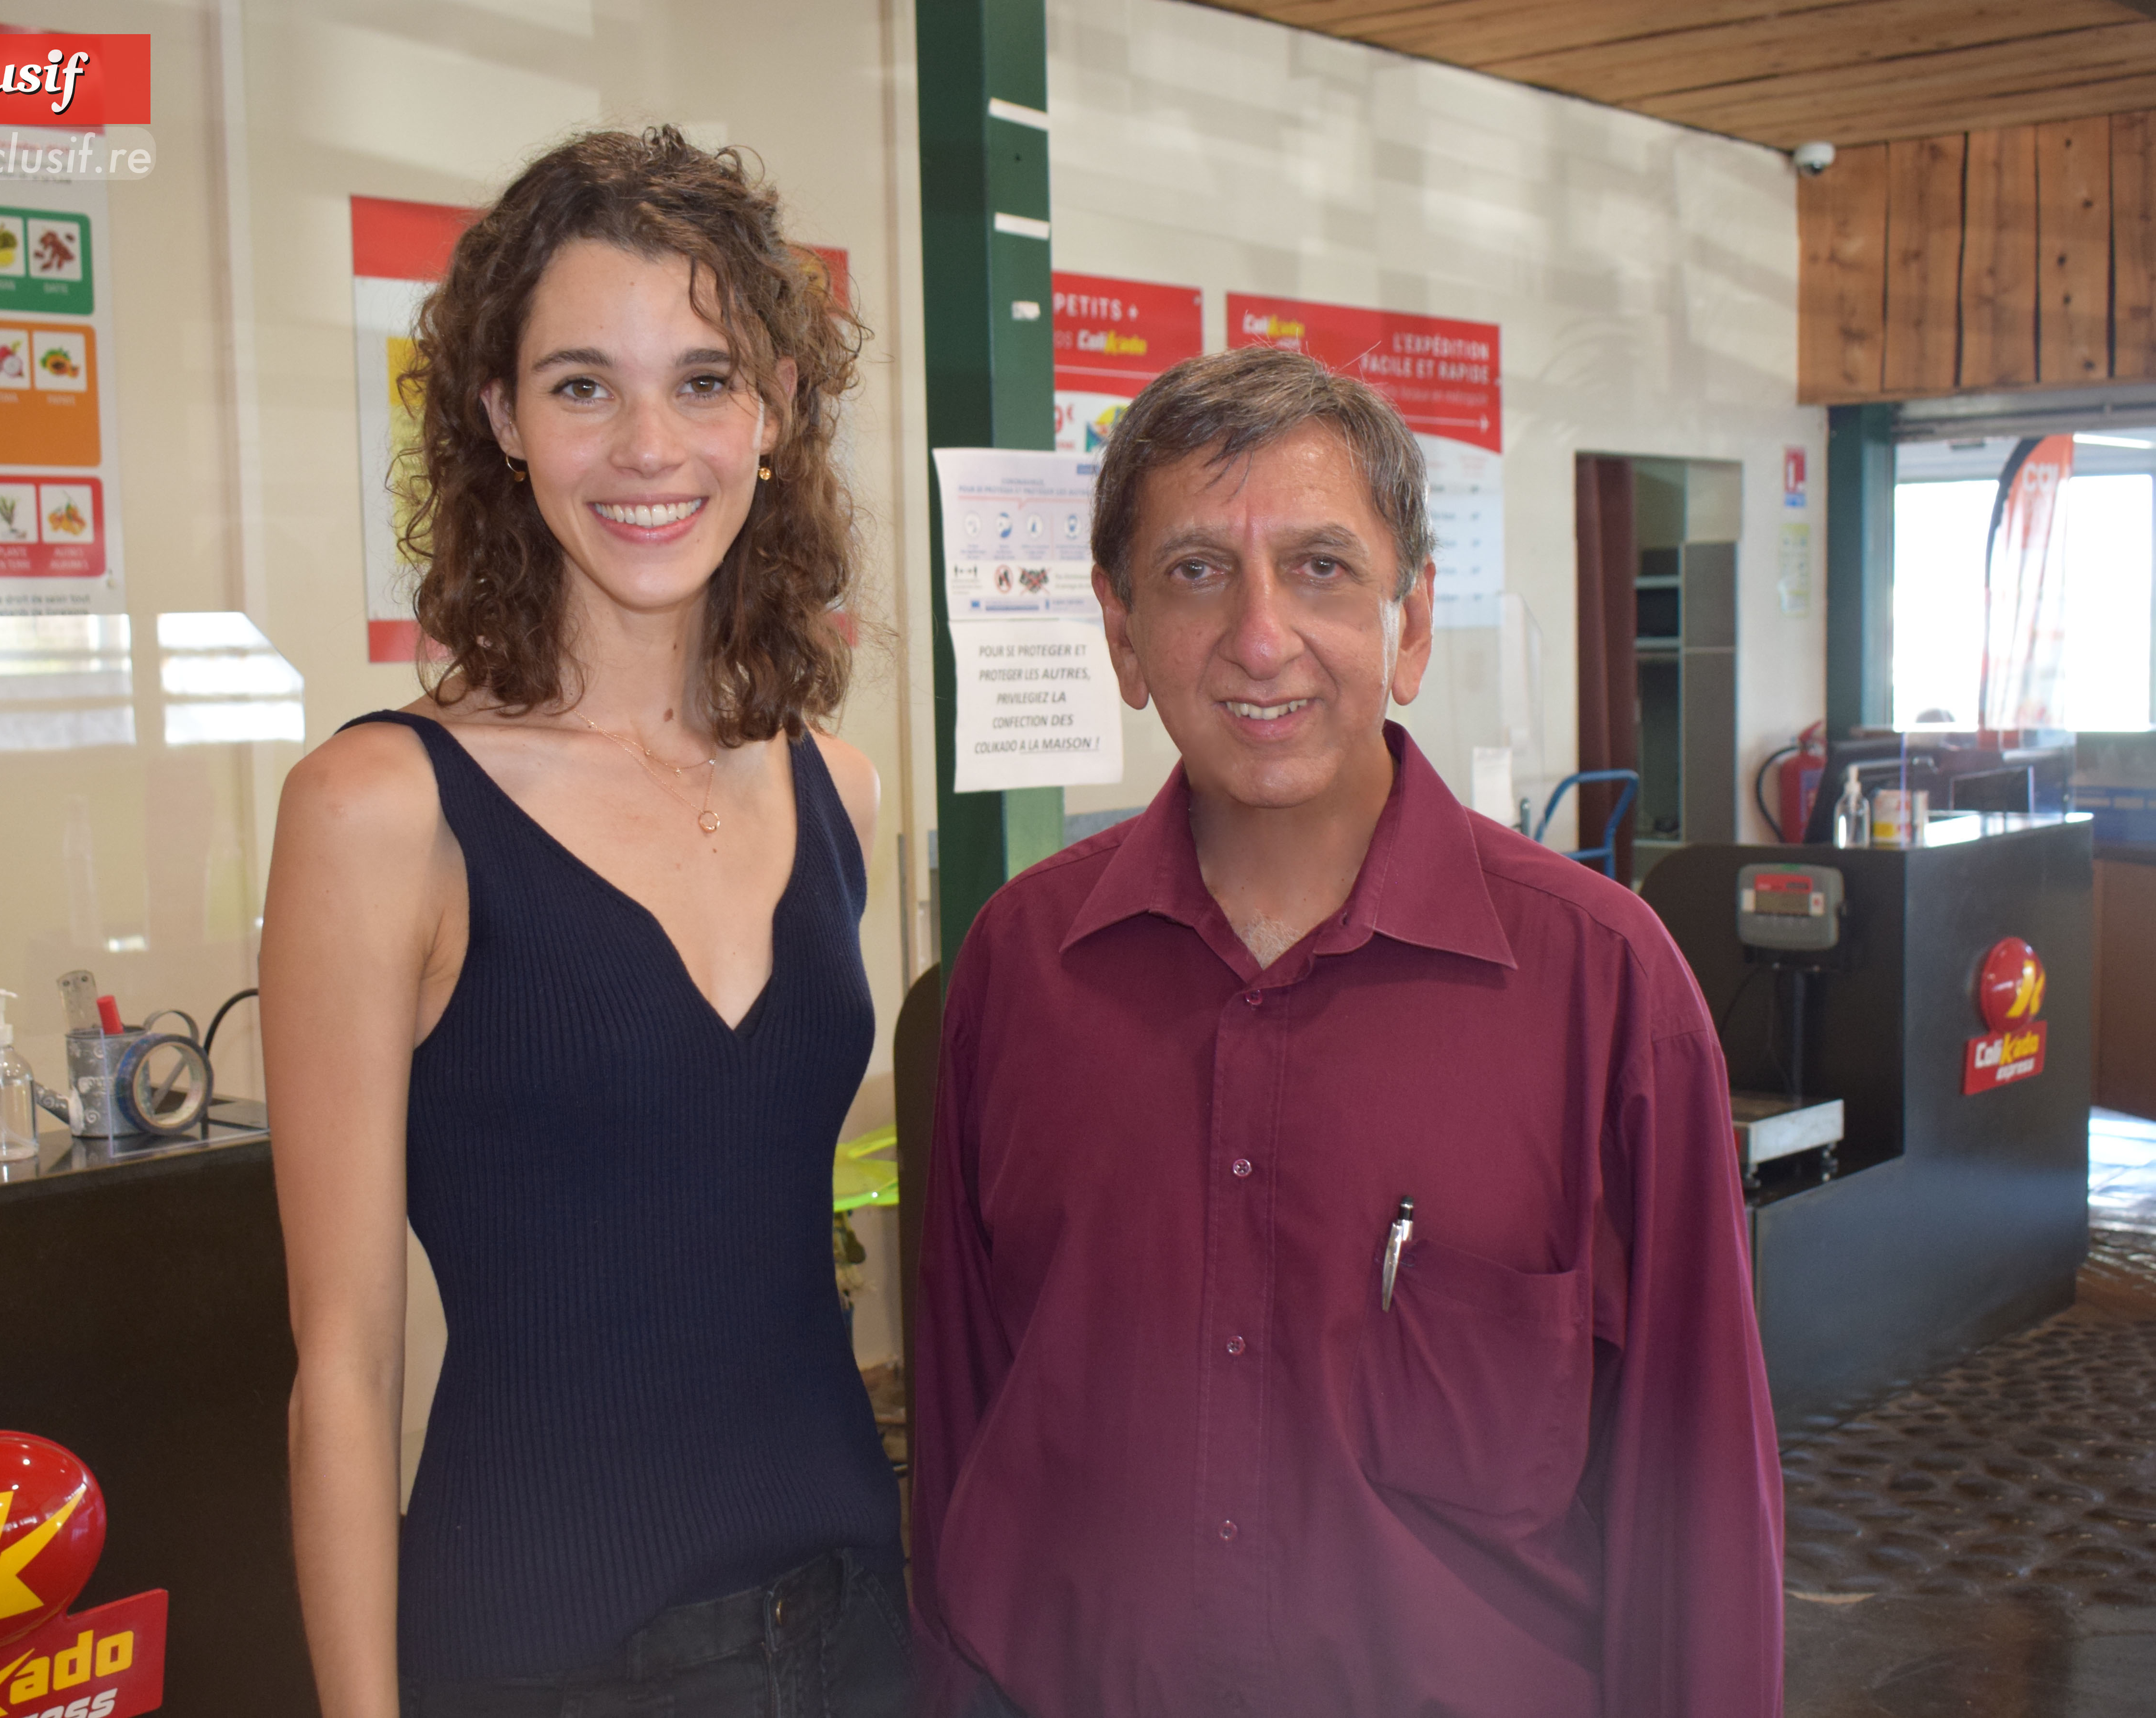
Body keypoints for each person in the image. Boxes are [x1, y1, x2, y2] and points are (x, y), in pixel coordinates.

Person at [910, 346, 1783, 1717]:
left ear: (1412, 623)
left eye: (1321, 567)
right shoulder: (1023, 973)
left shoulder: (1602, 990)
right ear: (1122, 634)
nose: (1261, 638)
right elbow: (965, 1424)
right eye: (1196, 571)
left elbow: (1703, 1508)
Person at [261, 129, 908, 1718]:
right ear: (497, 418)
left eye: (702, 380)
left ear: (772, 418)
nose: (647, 446)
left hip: (857, 1627)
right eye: (579, 385)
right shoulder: (381, 809)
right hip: (547, 1655)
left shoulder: (836, 785)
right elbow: (341, 1369)